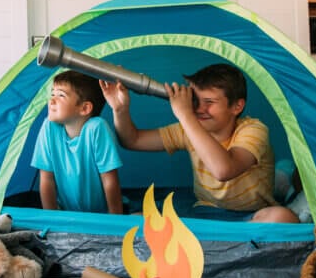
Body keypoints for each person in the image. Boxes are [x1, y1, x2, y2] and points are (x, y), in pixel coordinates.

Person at [100, 63, 299, 223]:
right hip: (204, 213)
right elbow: (132, 140)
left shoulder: (253, 130)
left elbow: (224, 170)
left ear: (237, 106)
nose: (200, 109)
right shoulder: (190, 127)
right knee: (136, 221)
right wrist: (120, 110)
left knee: (283, 217)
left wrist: (186, 115)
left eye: (209, 102)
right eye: (196, 101)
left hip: (248, 216)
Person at [31, 71, 124, 214]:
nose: (52, 101)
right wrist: (51, 218)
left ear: (84, 108)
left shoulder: (96, 128)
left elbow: (109, 180)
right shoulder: (49, 127)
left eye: (61, 95)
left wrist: (116, 219)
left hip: (102, 213)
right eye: (52, 94)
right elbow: (46, 179)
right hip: (67, 213)